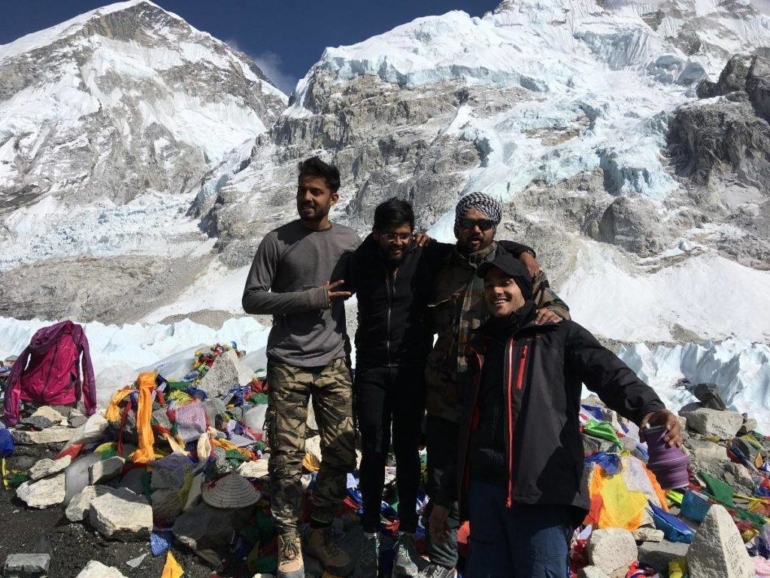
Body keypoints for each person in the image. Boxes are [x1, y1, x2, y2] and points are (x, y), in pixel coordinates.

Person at [429, 253, 683, 577]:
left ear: (524, 289)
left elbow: (609, 373)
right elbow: (468, 427)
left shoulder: (558, 335)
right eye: (489, 285)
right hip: (485, 493)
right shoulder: (482, 347)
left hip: (541, 492)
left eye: (505, 283)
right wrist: (445, 499)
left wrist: (649, 408)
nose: (496, 291)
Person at [421, 192, 570, 578]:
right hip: (442, 396)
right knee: (441, 478)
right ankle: (443, 561)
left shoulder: (510, 268)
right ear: (456, 226)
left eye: (484, 224)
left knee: (482, 481)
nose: (476, 231)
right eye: (468, 223)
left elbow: (555, 308)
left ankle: (482, 556)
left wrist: (551, 316)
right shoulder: (441, 265)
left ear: (495, 228)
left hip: (488, 401)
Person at [242, 157, 360, 578]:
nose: (307, 198)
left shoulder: (349, 241)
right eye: (302, 190)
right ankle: (289, 537)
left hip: (333, 359)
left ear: (334, 198)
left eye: (316, 192)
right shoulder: (276, 241)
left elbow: (387, 264)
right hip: (288, 360)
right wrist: (311, 298)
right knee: (286, 458)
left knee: (341, 452)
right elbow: (252, 298)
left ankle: (320, 531)